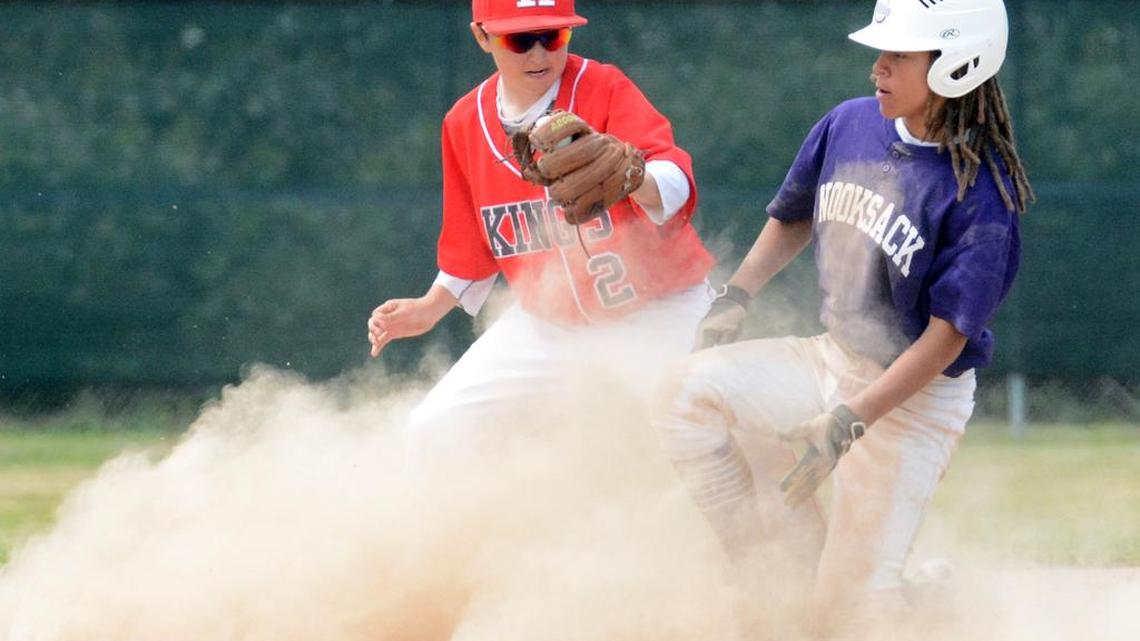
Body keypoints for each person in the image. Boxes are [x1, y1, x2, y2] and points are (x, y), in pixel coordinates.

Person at [650, 0, 1033, 627]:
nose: (878, 67)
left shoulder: (982, 194)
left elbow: (944, 338)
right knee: (682, 396)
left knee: (850, 616)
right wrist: (737, 295)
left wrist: (850, 419)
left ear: (958, 66)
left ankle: (925, 603)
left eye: (899, 55)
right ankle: (765, 571)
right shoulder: (850, 123)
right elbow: (793, 216)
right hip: (829, 358)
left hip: (913, 402)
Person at [367, 0, 714, 462]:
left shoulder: (602, 86)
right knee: (433, 429)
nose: (539, 54)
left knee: (686, 432)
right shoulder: (464, 122)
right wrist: (431, 306)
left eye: (552, 36)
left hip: (659, 310)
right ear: (482, 36)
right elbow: (472, 242)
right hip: (552, 327)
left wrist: (635, 178)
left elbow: (675, 180)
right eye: (520, 39)